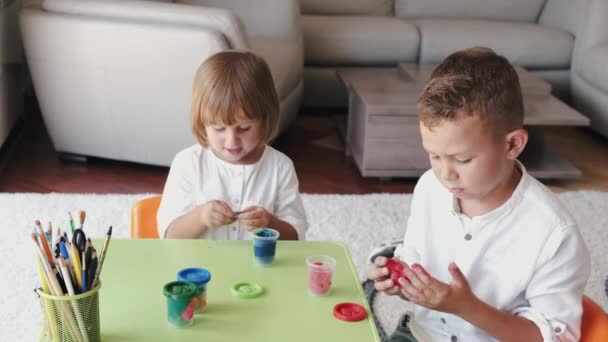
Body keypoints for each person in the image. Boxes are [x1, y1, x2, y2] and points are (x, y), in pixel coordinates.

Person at [367, 47, 590, 341]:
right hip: (421, 335)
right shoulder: (430, 187)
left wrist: (467, 308)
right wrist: (401, 279)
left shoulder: (554, 233)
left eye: (463, 160)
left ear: (513, 145)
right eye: (434, 155)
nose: (445, 174)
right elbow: (415, 255)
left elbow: (553, 337)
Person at [157, 51, 307, 241]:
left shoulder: (280, 167)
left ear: (265, 119)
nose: (231, 141)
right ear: (202, 123)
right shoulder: (188, 163)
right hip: (201, 269)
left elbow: (296, 237)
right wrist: (201, 217)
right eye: (219, 128)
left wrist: (270, 223)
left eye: (244, 128)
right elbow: (170, 236)